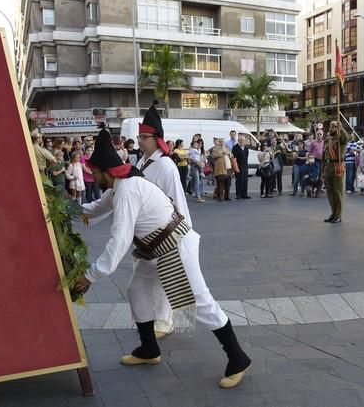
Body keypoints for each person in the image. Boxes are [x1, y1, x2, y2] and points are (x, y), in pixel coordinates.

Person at [73, 127, 250, 388]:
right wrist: (67, 211)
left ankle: (238, 358)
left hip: (175, 247)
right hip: (156, 249)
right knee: (137, 291)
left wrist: (90, 275)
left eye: (94, 171)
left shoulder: (127, 190)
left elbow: (119, 240)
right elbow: (95, 208)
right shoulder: (120, 186)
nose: (93, 175)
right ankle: (149, 349)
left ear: (106, 171)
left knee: (200, 302)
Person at [135, 102, 194, 337]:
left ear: (156, 138)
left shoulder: (166, 165)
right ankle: (149, 318)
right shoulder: (141, 163)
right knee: (143, 280)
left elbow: (178, 201)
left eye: (144, 137)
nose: (139, 141)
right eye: (138, 136)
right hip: (146, 234)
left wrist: (184, 235)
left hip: (166, 233)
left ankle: (164, 320)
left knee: (163, 277)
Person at [323, 120, 348, 223]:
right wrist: (322, 170)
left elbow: (346, 138)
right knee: (330, 192)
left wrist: (341, 128)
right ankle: (333, 213)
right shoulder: (328, 140)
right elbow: (323, 156)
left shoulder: (340, 139)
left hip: (337, 166)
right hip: (328, 167)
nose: (330, 128)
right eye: (330, 126)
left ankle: (338, 215)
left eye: (333, 127)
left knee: (338, 192)